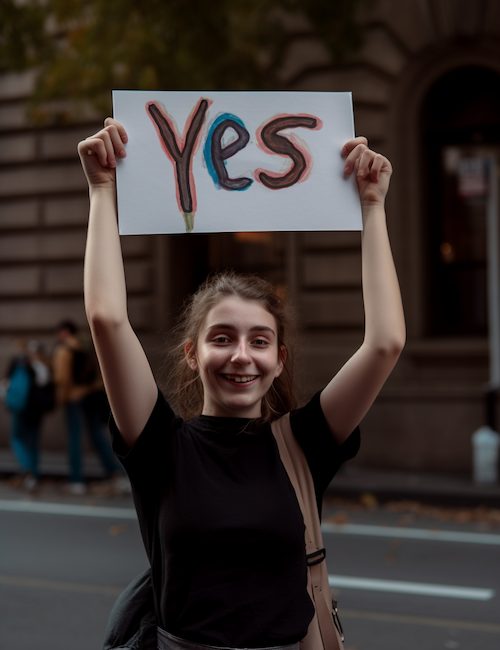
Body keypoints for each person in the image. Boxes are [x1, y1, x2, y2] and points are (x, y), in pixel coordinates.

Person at [78, 118, 405, 650]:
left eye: (258, 342)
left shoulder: (305, 443)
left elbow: (385, 343)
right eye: (222, 338)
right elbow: (107, 319)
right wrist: (102, 190)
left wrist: (372, 206)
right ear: (192, 354)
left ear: (279, 359)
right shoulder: (160, 446)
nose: (240, 356)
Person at [53, 319, 120, 494]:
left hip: (74, 399)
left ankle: (76, 480)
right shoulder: (88, 347)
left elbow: (63, 379)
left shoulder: (65, 350)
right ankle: (114, 474)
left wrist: (61, 399)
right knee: (97, 436)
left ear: (65, 332)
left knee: (75, 439)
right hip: (91, 397)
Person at [3, 339, 53, 492]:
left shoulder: (21, 365)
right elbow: (46, 385)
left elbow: (7, 384)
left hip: (22, 409)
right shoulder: (44, 367)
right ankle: (33, 476)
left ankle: (27, 468)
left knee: (17, 439)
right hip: (37, 411)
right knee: (33, 443)